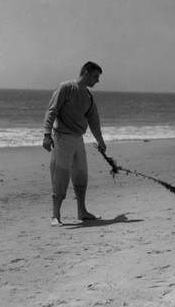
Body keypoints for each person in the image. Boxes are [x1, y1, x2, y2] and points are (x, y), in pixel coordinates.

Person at [43, 61, 107, 227]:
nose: (97, 81)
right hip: (62, 137)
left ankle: (82, 211)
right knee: (60, 175)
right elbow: (52, 110)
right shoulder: (66, 87)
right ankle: (55, 215)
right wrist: (46, 134)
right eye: (95, 76)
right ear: (85, 73)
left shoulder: (88, 96)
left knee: (81, 174)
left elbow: (94, 121)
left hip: (78, 138)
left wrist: (101, 142)